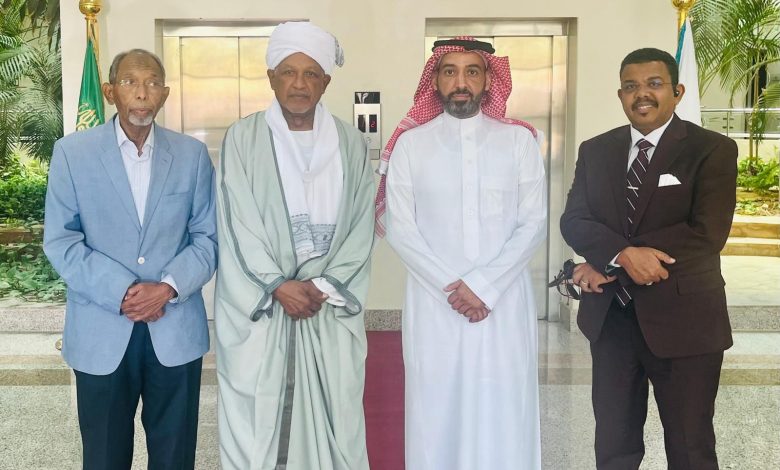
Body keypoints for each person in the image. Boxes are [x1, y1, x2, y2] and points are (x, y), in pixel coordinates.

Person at [560, 47, 737, 470]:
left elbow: (706, 233)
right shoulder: (596, 150)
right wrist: (621, 254)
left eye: (654, 84)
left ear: (677, 92)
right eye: (631, 86)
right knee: (614, 446)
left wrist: (611, 262)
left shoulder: (711, 149)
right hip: (613, 323)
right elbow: (575, 220)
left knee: (690, 447)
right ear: (620, 95)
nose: (642, 94)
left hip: (686, 324)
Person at [377, 37, 547, 470]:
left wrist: (484, 286)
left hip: (503, 303)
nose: (461, 82)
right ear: (434, 80)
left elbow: (533, 223)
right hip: (435, 304)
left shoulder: (519, 142)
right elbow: (401, 227)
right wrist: (453, 288)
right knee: (436, 407)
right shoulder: (411, 145)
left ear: (488, 79)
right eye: (450, 71)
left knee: (505, 405)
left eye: (472, 71)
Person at [43, 49, 217, 469]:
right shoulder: (72, 153)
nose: (142, 93)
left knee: (175, 457)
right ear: (109, 92)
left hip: (174, 330)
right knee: (104, 457)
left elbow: (208, 238)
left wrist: (168, 288)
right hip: (100, 330)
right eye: (130, 82)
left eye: (153, 83)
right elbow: (61, 241)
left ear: (165, 94)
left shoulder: (192, 155)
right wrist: (123, 291)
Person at [214, 21, 375, 470]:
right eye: (288, 72)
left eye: (311, 74)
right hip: (266, 308)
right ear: (271, 78)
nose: (299, 84)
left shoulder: (351, 142)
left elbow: (362, 224)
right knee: (257, 423)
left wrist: (324, 284)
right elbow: (237, 221)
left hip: (327, 305)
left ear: (326, 82)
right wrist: (277, 285)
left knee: (339, 417)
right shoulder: (243, 138)